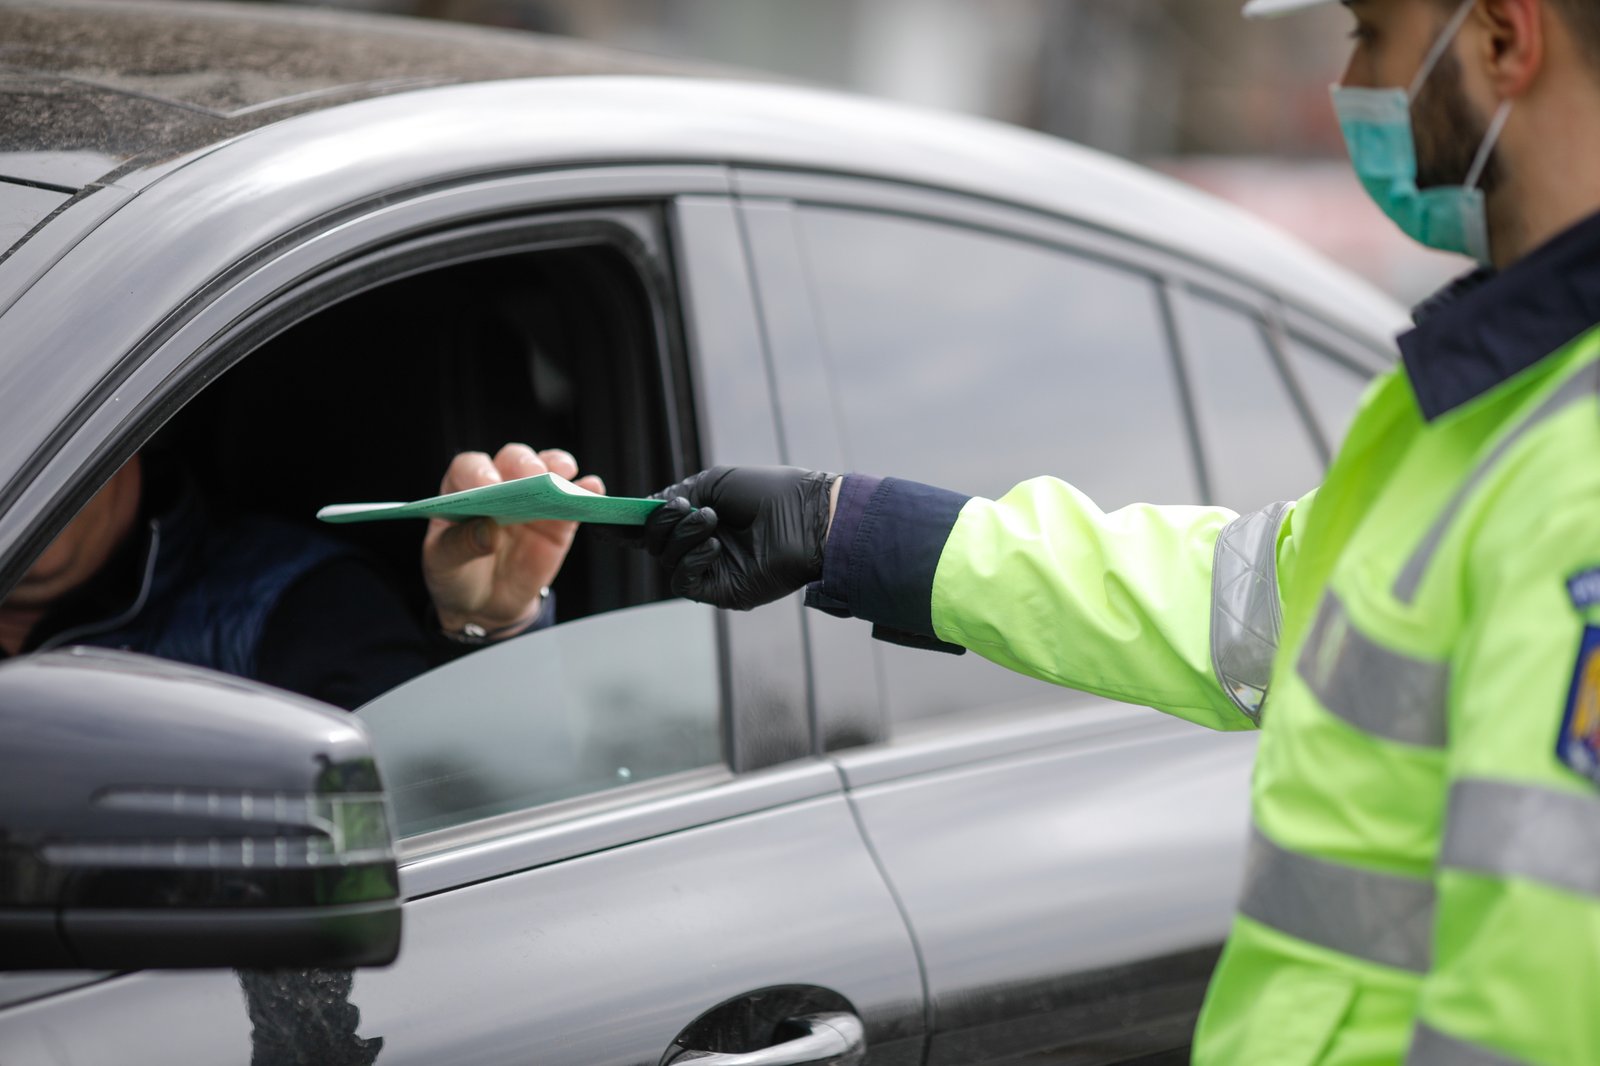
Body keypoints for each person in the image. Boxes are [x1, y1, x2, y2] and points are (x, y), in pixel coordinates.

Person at [626, 1, 1600, 1063]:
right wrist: (847, 527)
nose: (1348, 81)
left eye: (1369, 31)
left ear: (1504, 39)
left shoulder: (1573, 470)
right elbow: (1236, 604)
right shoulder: (1485, 411)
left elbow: (1538, 1003)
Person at [0, 442, 603, 709]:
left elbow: (449, 814)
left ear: (129, 427)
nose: (23, 463)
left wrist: (486, 629)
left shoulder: (301, 601)